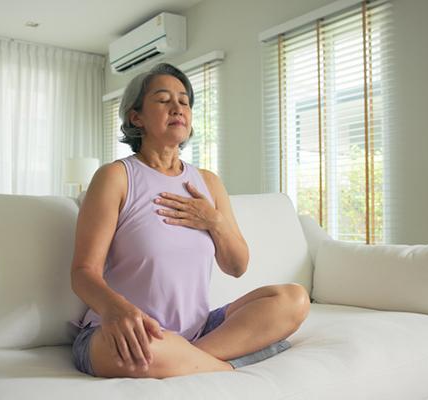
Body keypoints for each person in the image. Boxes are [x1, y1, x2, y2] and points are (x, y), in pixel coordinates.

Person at [70, 63, 310, 379]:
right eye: (163, 99)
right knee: (144, 350)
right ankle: (222, 366)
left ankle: (186, 359)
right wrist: (116, 310)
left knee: (293, 299)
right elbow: (83, 273)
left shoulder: (208, 183)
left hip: (198, 330)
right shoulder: (116, 177)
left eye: (184, 101)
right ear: (136, 117)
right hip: (127, 331)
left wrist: (215, 221)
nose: (178, 108)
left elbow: (237, 266)